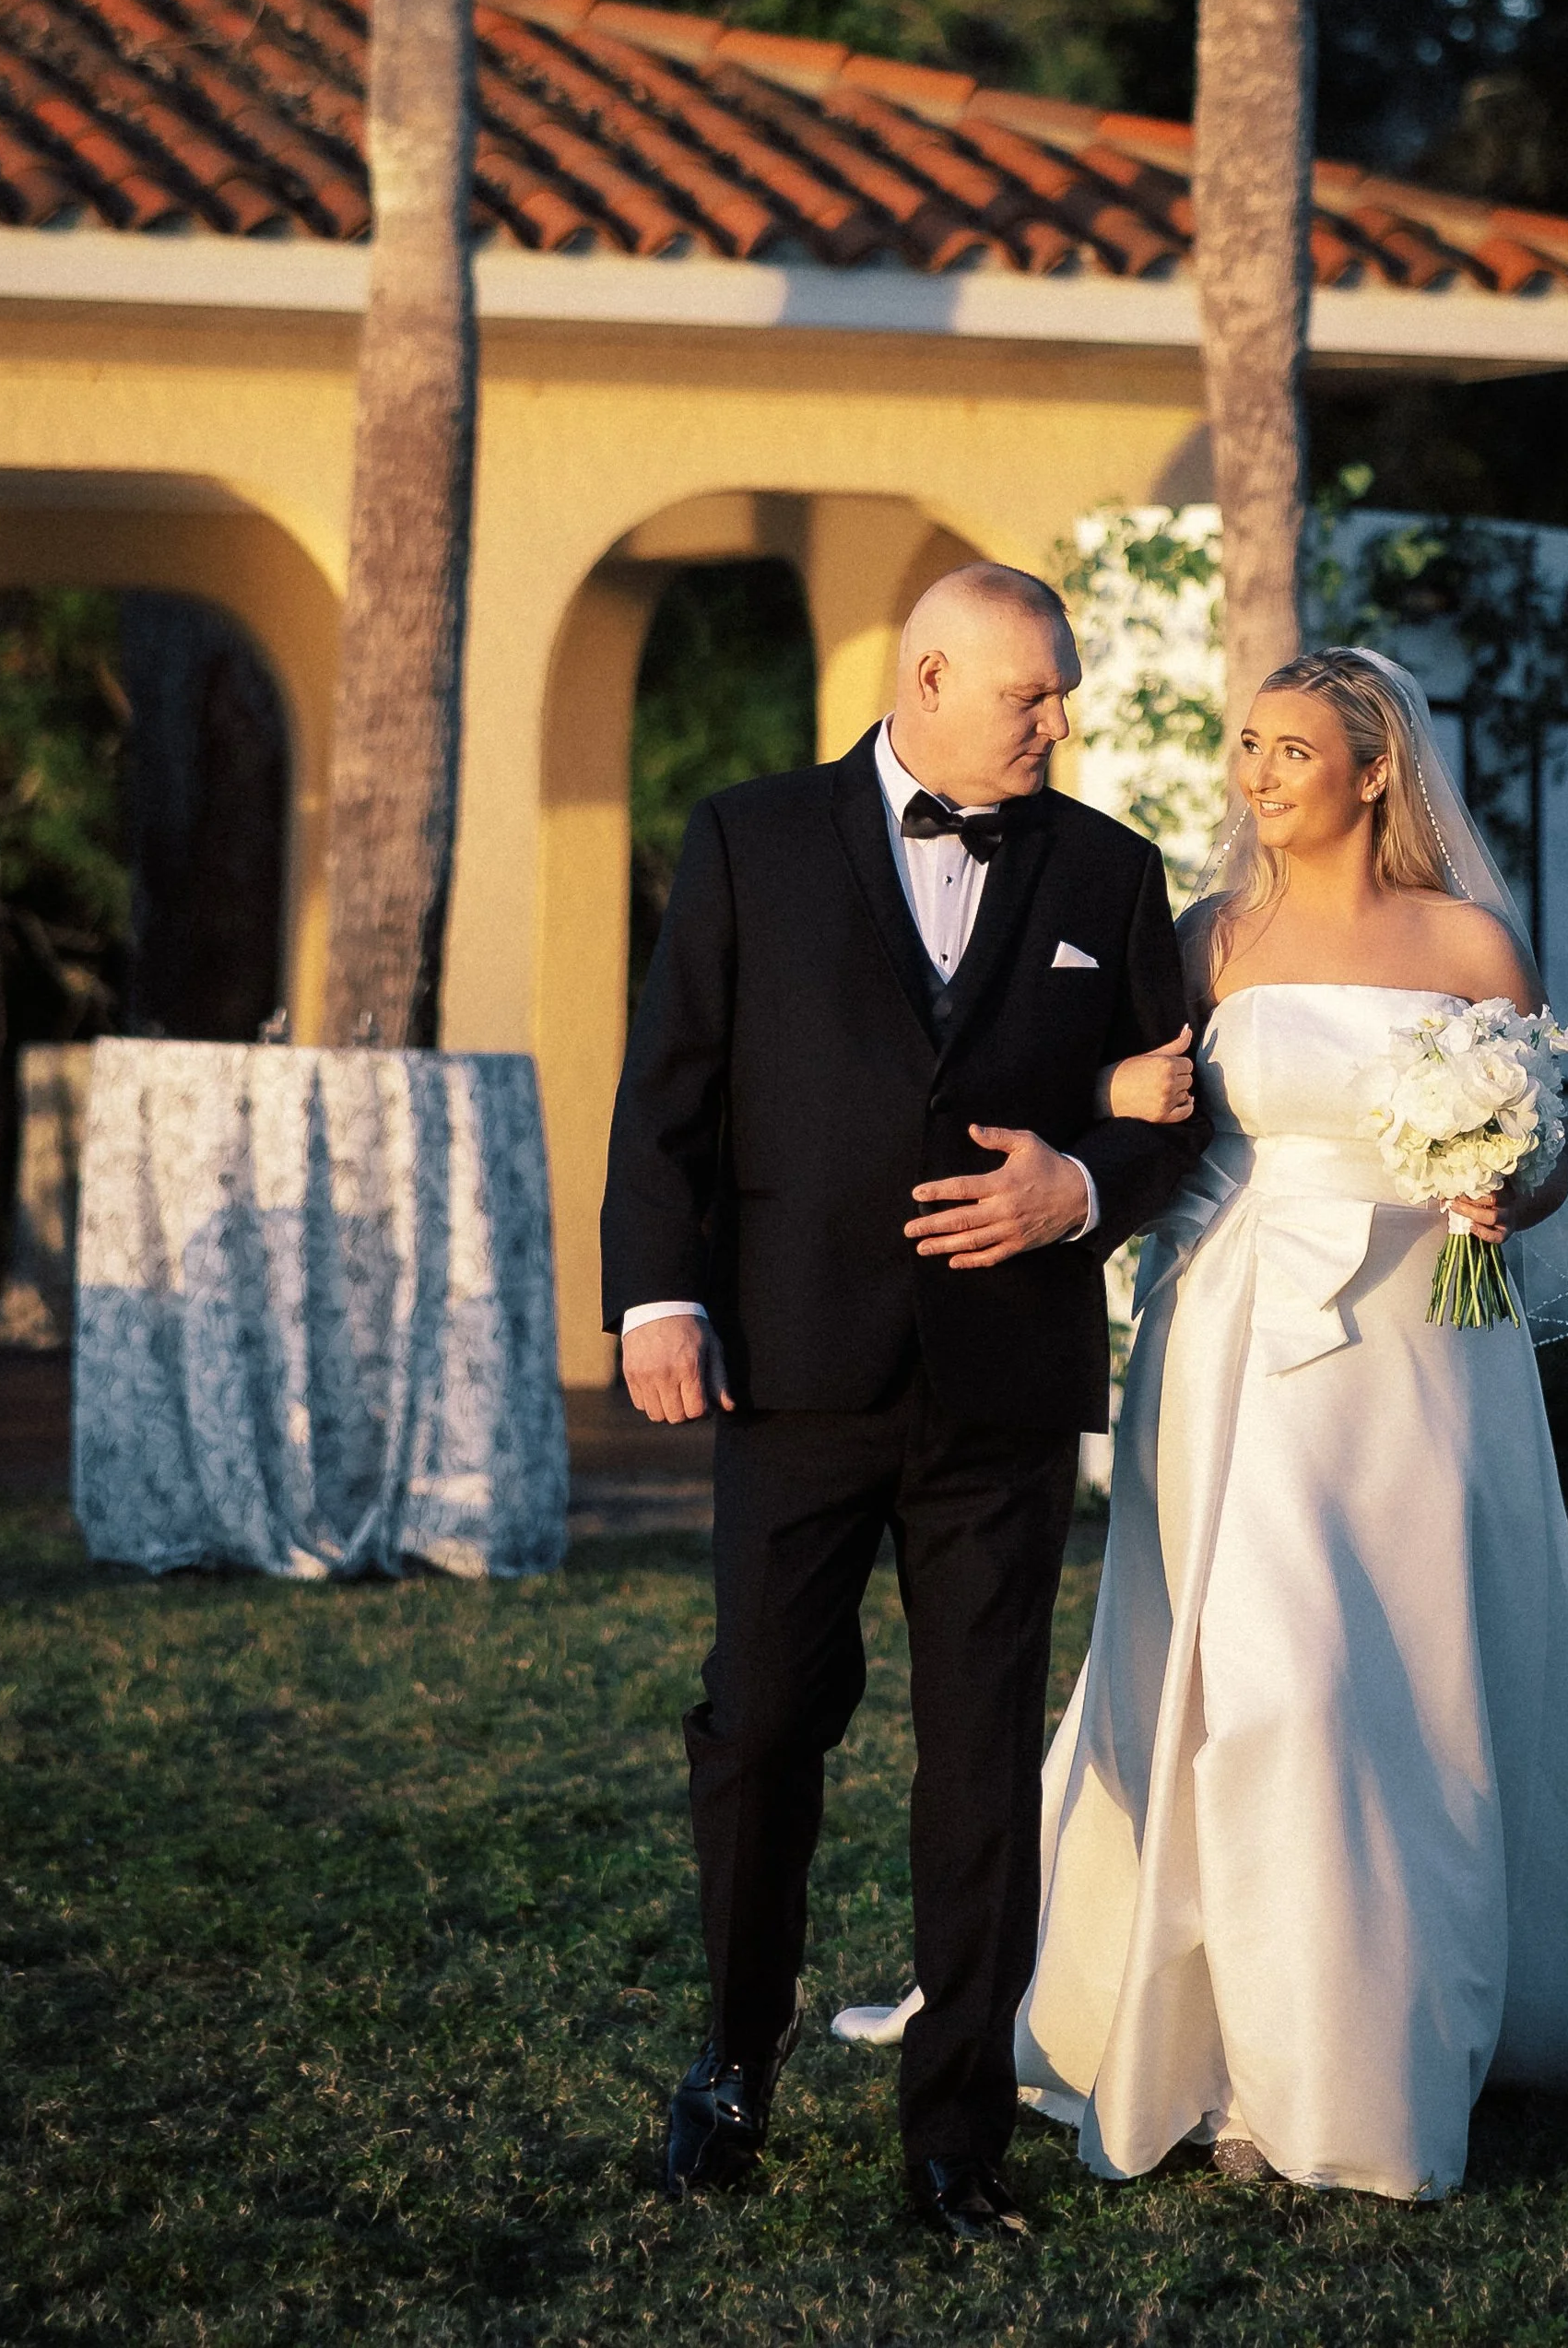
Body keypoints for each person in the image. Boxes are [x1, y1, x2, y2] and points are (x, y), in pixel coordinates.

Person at [1013, 645, 1568, 2200]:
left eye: (1291, 750)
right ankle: (1241, 2057)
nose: (1257, 778)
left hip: (1418, 1350)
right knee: (1264, 1681)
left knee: (1407, 1676)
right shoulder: (1211, 937)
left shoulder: (1466, 939)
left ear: (1375, 767)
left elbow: (1547, 1158)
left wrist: (1500, 1185)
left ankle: (1379, 2035)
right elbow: (1146, 1118)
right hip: (1234, 1331)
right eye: (1246, 748)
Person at [602, 564, 1208, 2246]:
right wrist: (660, 1294)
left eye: (1065, 694)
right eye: (1032, 696)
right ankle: (732, 2060)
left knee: (978, 1762)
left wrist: (1076, 1188)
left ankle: (952, 2137)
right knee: (760, 1725)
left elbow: (1174, 1109)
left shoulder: (1106, 869)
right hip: (794, 1366)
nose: (1059, 722)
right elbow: (671, 1090)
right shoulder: (747, 838)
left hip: (1001, 1385)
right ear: (929, 677)